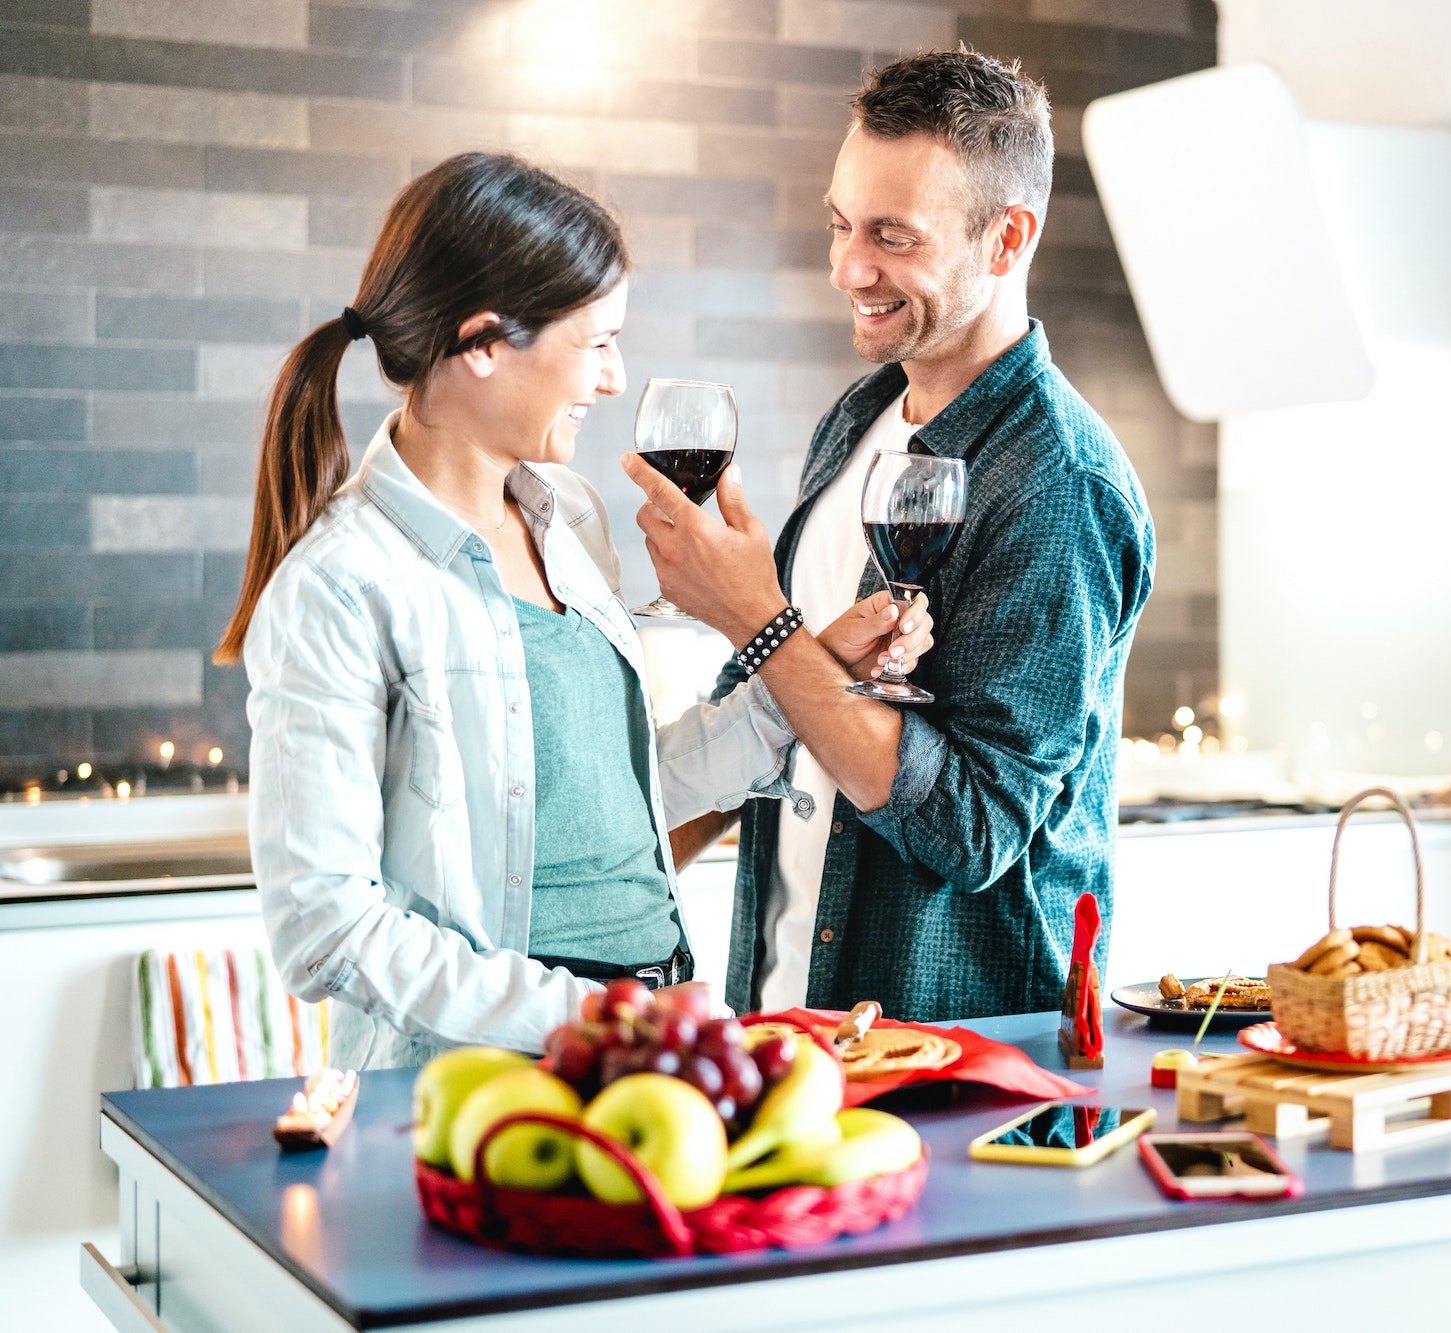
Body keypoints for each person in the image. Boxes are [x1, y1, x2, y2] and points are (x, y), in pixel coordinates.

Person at [219, 152, 930, 1070]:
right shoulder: (342, 584)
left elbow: (610, 803)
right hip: (487, 1076)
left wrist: (804, 675)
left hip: (654, 1031)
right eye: (595, 343)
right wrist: (583, 1015)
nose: (612, 378)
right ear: (481, 343)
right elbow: (325, 926)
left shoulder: (569, 518)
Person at [624, 49, 1155, 1023]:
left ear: (1007, 239)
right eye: (839, 225)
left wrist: (755, 614)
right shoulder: (861, 416)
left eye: (891, 236)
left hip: (959, 1062)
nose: (846, 268)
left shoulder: (1055, 482)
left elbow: (974, 829)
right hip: (784, 1020)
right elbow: (785, 719)